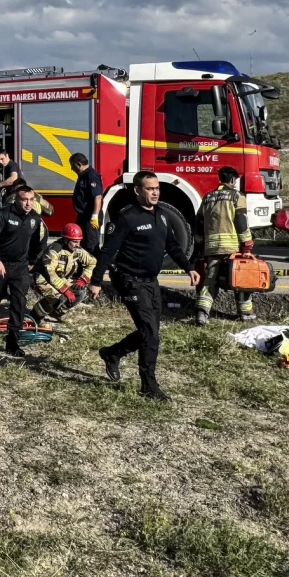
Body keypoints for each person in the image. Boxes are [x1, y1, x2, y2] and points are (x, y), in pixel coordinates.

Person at [91, 171, 199, 401]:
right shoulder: (127, 218)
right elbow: (108, 251)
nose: (155, 192)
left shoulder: (161, 215)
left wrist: (189, 267)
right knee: (150, 333)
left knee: (150, 332)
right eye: (150, 188)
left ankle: (112, 353)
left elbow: (172, 245)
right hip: (129, 280)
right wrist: (96, 281)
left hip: (151, 281)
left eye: (157, 188)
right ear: (138, 191)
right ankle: (148, 386)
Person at [0, 185, 45, 357]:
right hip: (0, 264)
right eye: (24, 200)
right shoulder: (4, 214)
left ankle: (12, 341)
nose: (28, 203)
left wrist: (32, 261)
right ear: (16, 199)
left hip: (20, 267)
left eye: (31, 200)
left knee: (19, 302)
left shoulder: (35, 218)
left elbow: (40, 241)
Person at [195, 166, 255, 325]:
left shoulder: (207, 196)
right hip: (233, 248)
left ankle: (202, 313)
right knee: (241, 279)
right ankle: (246, 314)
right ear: (233, 180)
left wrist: (200, 243)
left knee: (210, 281)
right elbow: (241, 220)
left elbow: (199, 222)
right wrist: (247, 243)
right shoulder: (237, 196)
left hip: (212, 248)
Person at [35, 223, 98, 320]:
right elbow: (49, 272)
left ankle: (56, 314)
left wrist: (84, 278)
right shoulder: (54, 250)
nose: (78, 245)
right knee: (56, 298)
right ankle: (34, 316)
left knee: (80, 292)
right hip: (42, 279)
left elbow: (92, 262)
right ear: (66, 240)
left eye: (79, 241)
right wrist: (64, 289)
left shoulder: (77, 250)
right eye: (75, 242)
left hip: (60, 280)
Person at [69, 152, 103, 255]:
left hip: (90, 216)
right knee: (80, 241)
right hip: (83, 216)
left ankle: (96, 267)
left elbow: (97, 196)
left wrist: (94, 216)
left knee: (91, 244)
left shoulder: (91, 175)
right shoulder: (83, 175)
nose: (71, 169)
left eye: (72, 165)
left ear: (79, 164)